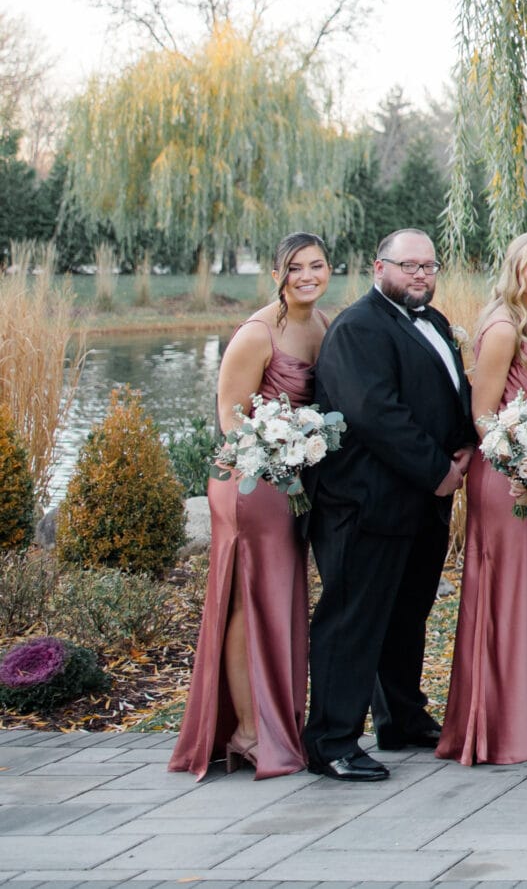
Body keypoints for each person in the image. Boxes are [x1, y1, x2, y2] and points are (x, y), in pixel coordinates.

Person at [301, 230, 474, 782]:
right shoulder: (358, 328)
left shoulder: (436, 322)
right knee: (353, 620)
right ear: (380, 267)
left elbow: (448, 392)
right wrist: (439, 471)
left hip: (421, 503)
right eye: (410, 266)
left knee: (406, 614)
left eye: (430, 266)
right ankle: (330, 740)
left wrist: (467, 440)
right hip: (365, 502)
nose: (422, 275)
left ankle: (400, 717)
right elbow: (376, 413)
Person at [170, 233, 333, 779]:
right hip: (249, 482)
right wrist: (279, 452)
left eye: (317, 265)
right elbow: (230, 416)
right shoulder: (257, 333)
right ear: (277, 274)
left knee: (280, 600)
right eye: (295, 268)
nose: (307, 276)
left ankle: (276, 725)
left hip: (292, 483)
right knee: (248, 601)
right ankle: (244, 731)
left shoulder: (322, 324)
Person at [440, 231, 527, 766]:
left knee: (518, 590)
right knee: (499, 589)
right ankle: (490, 727)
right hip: (501, 474)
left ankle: (510, 721)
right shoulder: (501, 326)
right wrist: (517, 461)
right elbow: (483, 413)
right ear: (514, 267)